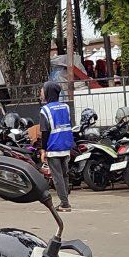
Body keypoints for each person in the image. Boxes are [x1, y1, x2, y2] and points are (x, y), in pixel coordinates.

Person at [39, 81, 74, 212]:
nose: (41, 93)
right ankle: (66, 201)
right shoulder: (66, 107)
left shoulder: (45, 110)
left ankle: (64, 204)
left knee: (57, 176)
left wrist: (43, 150)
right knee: (64, 175)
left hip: (53, 147)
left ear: (48, 92)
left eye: (42, 90)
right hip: (65, 145)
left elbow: (45, 132)